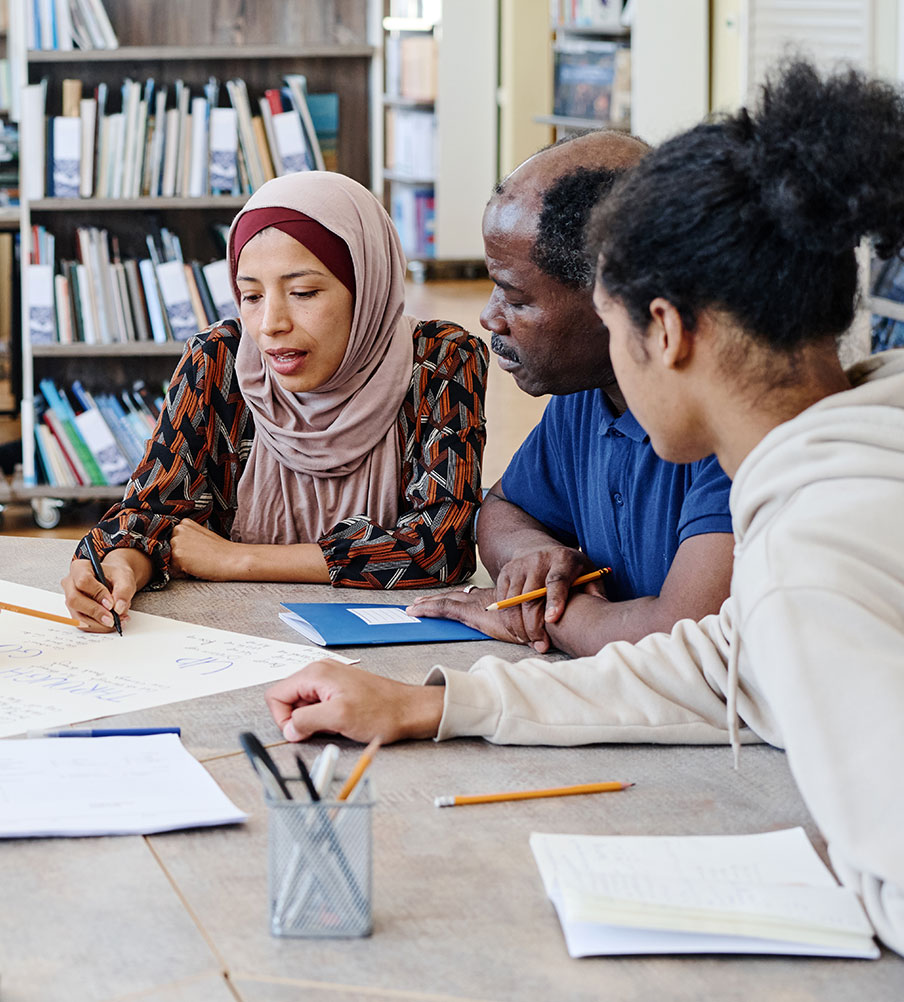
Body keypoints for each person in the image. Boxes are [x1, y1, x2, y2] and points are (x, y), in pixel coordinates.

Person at [264, 61, 904, 954]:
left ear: (666, 332)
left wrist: (844, 869)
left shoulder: (813, 557)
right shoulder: (858, 445)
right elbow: (712, 668)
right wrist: (435, 705)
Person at [61, 171, 488, 631]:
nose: (270, 323)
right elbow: (152, 516)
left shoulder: (441, 361)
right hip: (231, 643)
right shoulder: (220, 360)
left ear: (367, 286)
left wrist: (238, 561)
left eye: (303, 292)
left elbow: (442, 547)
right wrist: (124, 566)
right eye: (251, 295)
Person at [404, 132, 734, 656]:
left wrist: (545, 615)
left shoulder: (734, 427)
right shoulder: (586, 392)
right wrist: (533, 556)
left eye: (514, 296)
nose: (489, 318)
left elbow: (683, 640)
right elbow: (506, 505)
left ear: (614, 299)